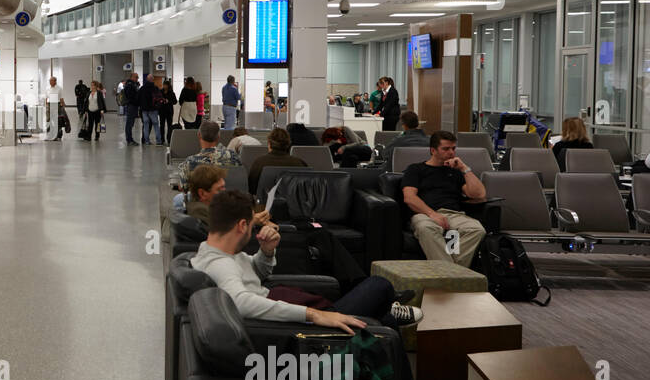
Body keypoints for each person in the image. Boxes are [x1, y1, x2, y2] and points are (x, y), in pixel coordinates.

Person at [191, 190, 421, 331]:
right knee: (380, 286)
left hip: (287, 308)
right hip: (298, 326)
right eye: (251, 226)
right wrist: (313, 314)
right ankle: (388, 309)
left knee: (384, 320)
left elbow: (254, 274)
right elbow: (239, 302)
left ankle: (387, 315)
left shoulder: (219, 251)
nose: (253, 230)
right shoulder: (220, 264)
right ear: (242, 225)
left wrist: (266, 252)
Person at [401, 130, 487, 269]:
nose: (451, 153)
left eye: (453, 148)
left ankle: (449, 273)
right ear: (433, 150)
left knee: (476, 229)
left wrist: (464, 169)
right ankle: (455, 275)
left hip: (453, 214)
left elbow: (479, 194)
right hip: (425, 214)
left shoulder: (456, 172)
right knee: (426, 228)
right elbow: (409, 198)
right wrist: (432, 214)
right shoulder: (416, 169)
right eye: (446, 149)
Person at [247, 127, 308, 193]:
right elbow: (306, 189)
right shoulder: (300, 164)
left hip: (265, 202)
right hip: (294, 202)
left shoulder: (259, 163)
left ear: (269, 144)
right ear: (288, 144)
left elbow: (252, 189)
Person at [139, 75, 163, 145]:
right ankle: (158, 141)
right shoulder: (155, 88)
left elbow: (138, 98)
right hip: (153, 109)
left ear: (146, 79)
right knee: (156, 125)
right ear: (152, 80)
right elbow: (160, 98)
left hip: (144, 110)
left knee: (146, 125)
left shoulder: (142, 88)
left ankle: (146, 141)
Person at [122, 73, 140, 144]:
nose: (137, 78)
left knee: (131, 123)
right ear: (132, 77)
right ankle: (129, 140)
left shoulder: (133, 85)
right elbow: (131, 96)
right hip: (131, 106)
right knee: (129, 123)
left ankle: (130, 139)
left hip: (133, 106)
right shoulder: (130, 85)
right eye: (136, 77)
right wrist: (136, 101)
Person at [46, 76, 66, 141]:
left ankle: (58, 135)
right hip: (49, 105)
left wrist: (63, 106)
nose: (50, 82)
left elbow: (61, 98)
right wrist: (46, 105)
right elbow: (46, 98)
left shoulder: (59, 88)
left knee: (56, 120)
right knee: (48, 120)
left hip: (56, 105)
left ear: (55, 81)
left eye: (51, 81)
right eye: (49, 81)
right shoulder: (47, 88)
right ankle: (50, 134)